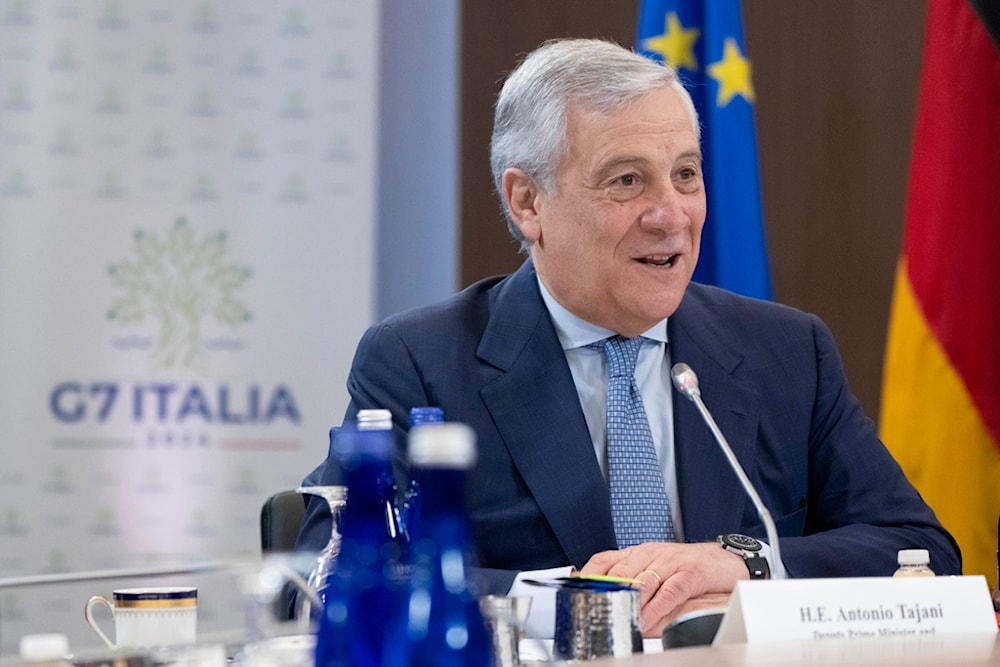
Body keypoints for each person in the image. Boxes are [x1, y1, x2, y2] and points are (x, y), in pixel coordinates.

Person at [296, 37, 961, 639]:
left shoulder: (786, 351)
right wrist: (575, 602)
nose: (670, 215)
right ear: (528, 202)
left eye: (686, 174)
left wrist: (742, 562)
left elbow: (920, 548)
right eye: (627, 180)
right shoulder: (420, 361)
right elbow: (338, 569)